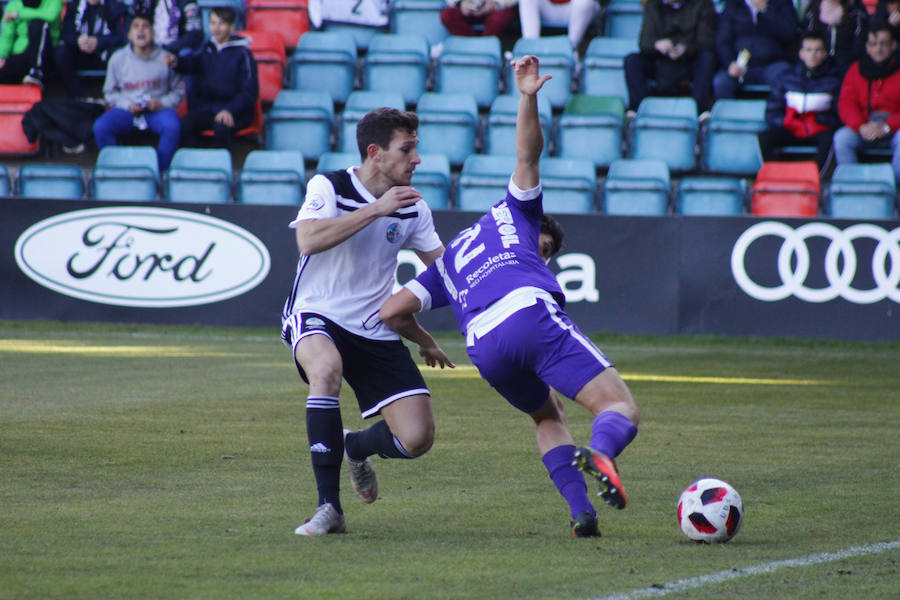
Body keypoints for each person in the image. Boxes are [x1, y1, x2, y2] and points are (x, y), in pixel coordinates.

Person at [379, 55, 640, 538]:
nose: (542, 254)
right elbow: (527, 156)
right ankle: (602, 452)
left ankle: (582, 512)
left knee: (547, 416)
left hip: (484, 348)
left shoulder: (450, 259)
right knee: (619, 409)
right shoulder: (515, 214)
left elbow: (390, 311)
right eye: (543, 250)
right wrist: (528, 96)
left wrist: (426, 343)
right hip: (526, 314)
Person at [281, 107, 446, 536]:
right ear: (375, 153)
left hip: (375, 326)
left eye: (416, 148)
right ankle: (329, 508)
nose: (416, 159)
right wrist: (375, 210)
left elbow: (446, 272)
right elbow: (309, 240)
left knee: (417, 439)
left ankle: (354, 445)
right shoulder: (330, 185)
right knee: (326, 370)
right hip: (317, 312)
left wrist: (424, 334)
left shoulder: (413, 207)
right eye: (407, 149)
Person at [93, 14, 184, 171]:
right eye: (136, 26)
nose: (141, 30)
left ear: (153, 33)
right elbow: (109, 92)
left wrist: (161, 103)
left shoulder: (166, 58)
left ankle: (159, 172)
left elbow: (179, 91)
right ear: (129, 35)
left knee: (172, 126)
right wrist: (127, 104)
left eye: (145, 26)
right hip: (127, 110)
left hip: (157, 110)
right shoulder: (118, 59)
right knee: (101, 126)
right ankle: (117, 170)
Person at [169, 6, 258, 149]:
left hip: (236, 112)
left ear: (231, 26)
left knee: (221, 127)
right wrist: (176, 62)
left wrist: (230, 109)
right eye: (213, 23)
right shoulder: (207, 49)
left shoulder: (243, 54)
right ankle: (194, 165)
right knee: (186, 124)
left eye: (221, 24)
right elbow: (191, 64)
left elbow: (250, 92)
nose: (216, 28)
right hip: (210, 110)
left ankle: (222, 167)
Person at [758, 32, 844, 168]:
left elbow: (840, 115)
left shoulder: (834, 81)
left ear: (825, 53)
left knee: (829, 140)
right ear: (801, 53)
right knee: (765, 138)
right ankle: (776, 174)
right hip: (791, 128)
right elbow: (772, 112)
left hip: (819, 129)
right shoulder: (786, 79)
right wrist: (788, 121)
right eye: (808, 50)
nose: (813, 55)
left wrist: (818, 121)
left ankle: (815, 177)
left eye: (818, 50)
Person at [623, 0, 718, 115]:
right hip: (659, 61)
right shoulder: (653, 5)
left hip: (689, 61)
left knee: (707, 58)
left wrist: (685, 47)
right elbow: (644, 43)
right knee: (632, 60)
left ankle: (700, 112)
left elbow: (707, 41)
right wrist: (657, 45)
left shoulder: (703, 4)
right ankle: (638, 110)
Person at [833, 22, 900, 182]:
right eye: (874, 44)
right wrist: (860, 126)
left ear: (893, 46)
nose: (878, 49)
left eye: (883, 44)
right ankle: (853, 185)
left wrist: (887, 127)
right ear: (867, 47)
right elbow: (846, 104)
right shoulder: (856, 69)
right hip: (864, 128)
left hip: (894, 129)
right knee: (842, 138)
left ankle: (895, 187)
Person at [713, 0, 798, 100]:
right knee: (721, 82)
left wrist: (766, 10)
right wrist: (730, 63)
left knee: (785, 78)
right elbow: (722, 41)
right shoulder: (733, 5)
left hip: (772, 65)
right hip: (741, 66)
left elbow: (789, 33)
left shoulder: (782, 3)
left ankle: (775, 114)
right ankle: (728, 115)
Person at [55, 0, 128, 98]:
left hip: (104, 54)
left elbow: (121, 36)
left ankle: (114, 95)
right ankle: (78, 96)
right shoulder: (74, 5)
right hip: (80, 52)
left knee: (118, 54)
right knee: (61, 52)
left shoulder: (114, 6)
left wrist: (98, 41)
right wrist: (78, 40)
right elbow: (65, 33)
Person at [0, 0, 61, 88]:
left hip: (47, 54)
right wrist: (2, 55)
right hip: (22, 53)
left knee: (38, 24)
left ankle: (36, 72)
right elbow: (7, 35)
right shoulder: (14, 5)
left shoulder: (53, 1)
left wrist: (19, 14)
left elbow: (50, 16)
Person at [801, 0, 868, 73]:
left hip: (845, 70)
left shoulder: (856, 15)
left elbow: (859, 48)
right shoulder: (812, 13)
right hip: (816, 71)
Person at [518, 0, 600, 53]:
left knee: (585, 2)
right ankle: (530, 50)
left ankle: (570, 50)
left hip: (574, 8)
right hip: (547, 7)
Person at [131, 0, 202, 56]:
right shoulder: (145, 2)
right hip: (148, 50)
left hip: (175, 52)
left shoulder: (187, 2)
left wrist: (166, 49)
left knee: (186, 53)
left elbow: (194, 35)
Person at [440, 0, 519, 38]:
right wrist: (461, 3)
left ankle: (485, 46)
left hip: (496, 8)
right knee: (448, 15)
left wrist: (496, 4)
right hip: (468, 7)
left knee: (499, 19)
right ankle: (469, 45)